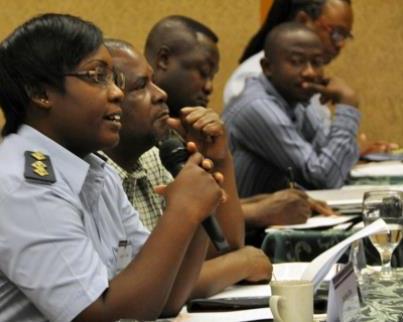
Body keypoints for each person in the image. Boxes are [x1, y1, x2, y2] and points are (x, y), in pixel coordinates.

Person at [0, 13, 228, 321]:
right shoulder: (23, 186)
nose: (117, 93)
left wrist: (199, 212)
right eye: (97, 76)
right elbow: (98, 316)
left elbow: (166, 298)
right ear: (41, 93)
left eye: (115, 79)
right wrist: (181, 211)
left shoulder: (97, 172)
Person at [102, 39, 272, 298]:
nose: (161, 94)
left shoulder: (154, 157)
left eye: (153, 81)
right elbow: (149, 287)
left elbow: (224, 244)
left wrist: (217, 157)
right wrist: (242, 264)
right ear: (108, 102)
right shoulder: (93, 177)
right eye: (141, 86)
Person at [144, 15, 335, 234]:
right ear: (164, 60)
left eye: (212, 77)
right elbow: (158, 224)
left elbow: (200, 208)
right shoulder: (136, 130)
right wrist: (258, 212)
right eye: (203, 73)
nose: (209, 88)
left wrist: (263, 202)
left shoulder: (184, 128)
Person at [223, 22, 361, 197]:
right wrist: (347, 107)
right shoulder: (256, 106)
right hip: (245, 223)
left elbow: (335, 165)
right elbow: (324, 179)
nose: (310, 72)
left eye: (317, 63)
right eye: (296, 62)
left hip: (279, 219)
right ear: (267, 67)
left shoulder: (297, 98)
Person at [224, 0, 353, 106]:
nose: (341, 44)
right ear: (302, 21)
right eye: (337, 33)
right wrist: (348, 104)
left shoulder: (309, 79)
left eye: (345, 36)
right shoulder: (253, 77)